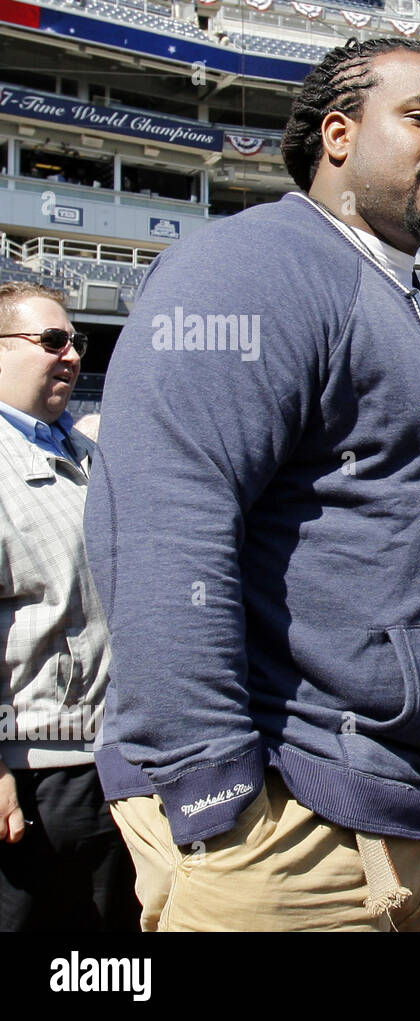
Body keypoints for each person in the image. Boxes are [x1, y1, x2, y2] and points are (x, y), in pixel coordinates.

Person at [84, 37, 420, 931]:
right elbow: (160, 521)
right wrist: (210, 785)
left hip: (402, 804)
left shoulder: (402, 298)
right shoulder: (257, 264)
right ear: (337, 136)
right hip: (285, 813)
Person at [0, 282, 138, 931]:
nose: (72, 355)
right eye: (51, 341)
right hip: (30, 773)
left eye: (75, 342)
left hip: (111, 761)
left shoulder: (87, 454)